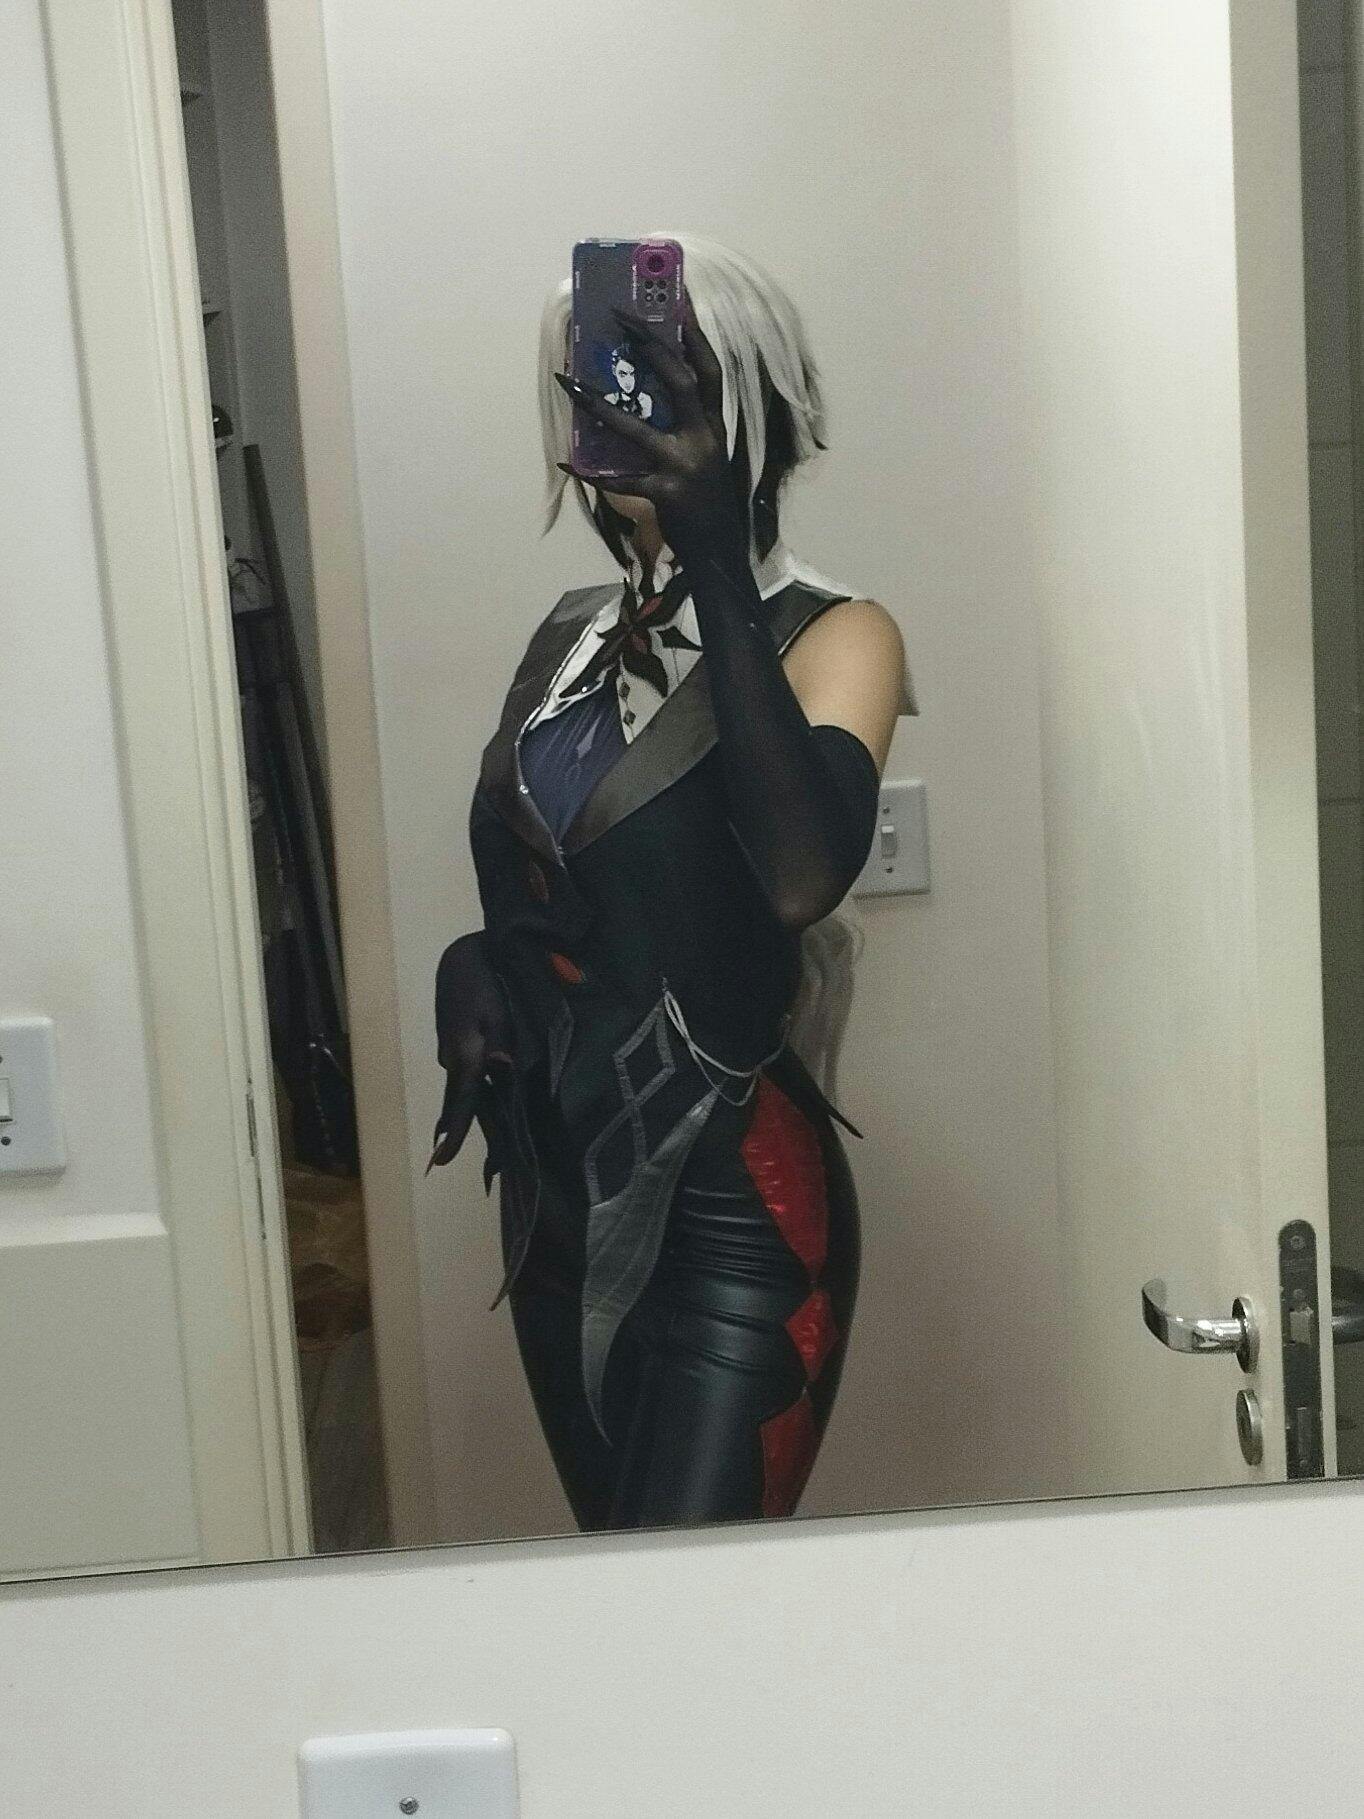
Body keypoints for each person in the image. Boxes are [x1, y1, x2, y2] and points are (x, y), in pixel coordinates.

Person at [432, 235, 914, 1530]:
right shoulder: (566, 639)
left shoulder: (837, 634)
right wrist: (479, 962)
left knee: (703, 1608)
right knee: (615, 1594)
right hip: (555, 1212)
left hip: (737, 1221)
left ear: (747, 394)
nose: (612, 410)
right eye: (591, 380)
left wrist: (713, 552)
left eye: (652, 374)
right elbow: (570, 883)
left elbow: (801, 873)